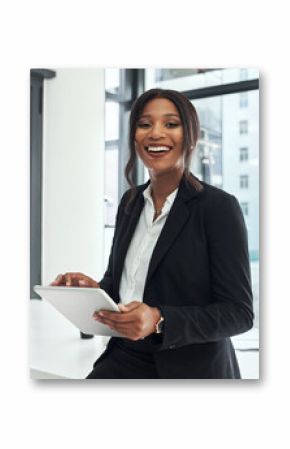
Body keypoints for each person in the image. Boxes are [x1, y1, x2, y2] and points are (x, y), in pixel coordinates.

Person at [51, 88, 254, 379]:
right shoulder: (130, 202)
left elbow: (239, 313)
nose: (155, 133)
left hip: (190, 369)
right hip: (124, 357)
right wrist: (92, 290)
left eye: (171, 124)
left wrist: (160, 320)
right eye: (145, 124)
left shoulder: (218, 207)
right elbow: (120, 286)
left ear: (190, 135)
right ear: (134, 135)